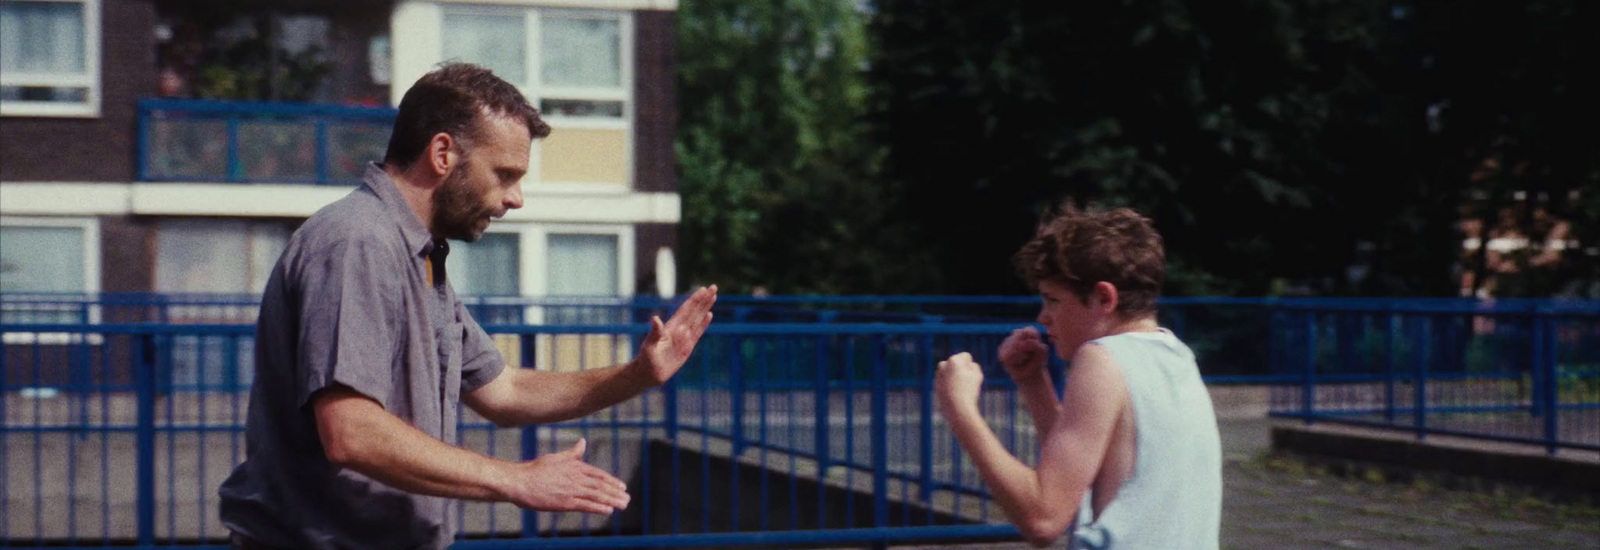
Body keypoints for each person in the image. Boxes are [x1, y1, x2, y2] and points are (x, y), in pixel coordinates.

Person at [217, 63, 718, 550]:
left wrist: (640, 374)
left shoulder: (418, 256)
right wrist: (515, 480)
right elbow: (351, 432)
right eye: (504, 174)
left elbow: (504, 390)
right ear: (442, 153)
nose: (515, 198)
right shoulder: (358, 242)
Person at [934, 204, 1221, 549]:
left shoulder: (1102, 359)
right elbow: (1083, 476)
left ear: (1103, 298)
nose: (1043, 317)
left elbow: (1043, 519)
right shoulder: (1176, 357)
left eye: (1053, 300)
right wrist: (1033, 383)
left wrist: (960, 410)